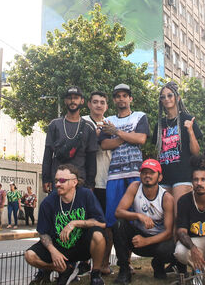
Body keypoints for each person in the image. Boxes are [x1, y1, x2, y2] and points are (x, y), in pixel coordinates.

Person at [24, 164, 106, 285]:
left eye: (62, 180)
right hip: (59, 246)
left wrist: (75, 223)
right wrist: (53, 251)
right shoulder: (48, 203)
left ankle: (95, 274)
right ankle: (65, 270)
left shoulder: (86, 195)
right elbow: (43, 232)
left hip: (81, 245)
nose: (57, 184)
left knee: (98, 235)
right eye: (56, 180)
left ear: (74, 182)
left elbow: (101, 223)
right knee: (29, 255)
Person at [112, 159, 176, 283]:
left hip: (157, 242)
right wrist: (138, 216)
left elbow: (168, 233)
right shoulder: (135, 187)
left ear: (160, 177)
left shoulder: (166, 198)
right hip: (137, 238)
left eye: (152, 173)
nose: (147, 176)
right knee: (119, 224)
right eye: (144, 172)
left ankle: (158, 264)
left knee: (172, 247)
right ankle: (124, 270)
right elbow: (118, 212)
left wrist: (146, 241)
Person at [100, 83, 149, 229]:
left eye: (124, 96)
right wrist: (128, 136)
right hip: (115, 174)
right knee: (112, 218)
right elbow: (104, 145)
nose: (121, 99)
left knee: (135, 217)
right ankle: (113, 252)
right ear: (114, 100)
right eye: (118, 96)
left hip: (135, 173)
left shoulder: (139, 116)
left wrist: (116, 132)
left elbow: (141, 139)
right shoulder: (108, 120)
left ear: (130, 99)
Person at [42, 86, 99, 194]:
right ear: (65, 101)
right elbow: (48, 154)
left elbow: (91, 158)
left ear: (82, 101)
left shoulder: (89, 127)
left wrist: (91, 184)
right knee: (57, 211)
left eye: (76, 98)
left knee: (79, 211)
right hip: (58, 180)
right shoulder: (54, 125)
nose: (73, 101)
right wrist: (45, 179)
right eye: (70, 98)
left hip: (80, 181)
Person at [153, 82, 202, 205]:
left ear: (177, 98)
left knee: (179, 214)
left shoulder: (187, 119)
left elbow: (196, 152)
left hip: (183, 174)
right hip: (164, 175)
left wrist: (190, 130)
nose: (167, 99)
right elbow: (157, 152)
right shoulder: (159, 124)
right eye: (163, 97)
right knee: (166, 215)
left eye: (170, 95)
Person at [82, 91, 114, 274]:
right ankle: (83, 262)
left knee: (108, 224)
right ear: (89, 104)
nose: (99, 105)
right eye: (95, 102)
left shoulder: (111, 124)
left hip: (107, 180)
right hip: (88, 182)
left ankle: (104, 263)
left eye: (102, 102)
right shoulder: (83, 122)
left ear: (106, 106)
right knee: (86, 222)